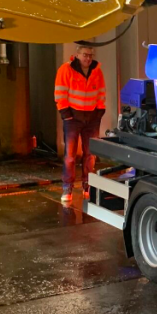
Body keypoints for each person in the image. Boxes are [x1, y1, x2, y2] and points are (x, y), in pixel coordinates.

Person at [54, 45, 106, 204]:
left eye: (90, 55)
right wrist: (66, 114)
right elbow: (60, 92)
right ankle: (67, 188)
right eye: (85, 55)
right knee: (70, 156)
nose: (88, 58)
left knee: (90, 155)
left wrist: (99, 112)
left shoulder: (97, 70)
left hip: (91, 118)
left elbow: (101, 92)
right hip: (73, 118)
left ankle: (87, 187)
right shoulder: (66, 69)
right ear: (77, 55)